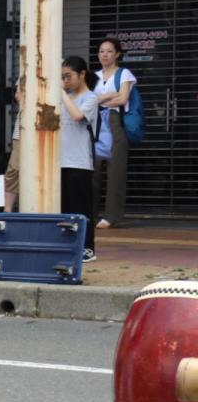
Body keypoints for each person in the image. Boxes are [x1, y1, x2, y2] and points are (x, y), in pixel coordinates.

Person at [91, 36, 135, 229]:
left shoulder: (124, 74)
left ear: (117, 54)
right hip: (96, 124)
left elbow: (123, 98)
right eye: (102, 51)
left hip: (116, 123)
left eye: (109, 51)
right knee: (92, 171)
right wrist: (108, 96)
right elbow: (89, 100)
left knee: (115, 172)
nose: (105, 55)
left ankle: (111, 217)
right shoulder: (93, 76)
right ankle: (90, 214)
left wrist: (101, 99)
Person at [61, 56, 100, 263]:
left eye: (68, 76)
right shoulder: (65, 96)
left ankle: (87, 248)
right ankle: (69, 245)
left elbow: (77, 116)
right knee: (65, 207)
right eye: (62, 77)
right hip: (61, 160)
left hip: (80, 162)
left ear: (82, 74)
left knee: (81, 207)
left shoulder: (91, 98)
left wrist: (61, 93)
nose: (65, 81)